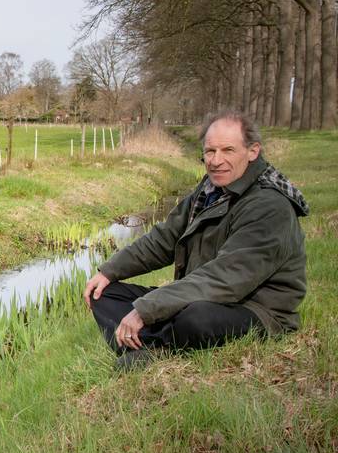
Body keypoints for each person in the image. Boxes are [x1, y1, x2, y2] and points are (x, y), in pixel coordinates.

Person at [84, 111, 308, 370]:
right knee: (104, 293)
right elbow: (164, 239)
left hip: (255, 308)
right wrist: (109, 271)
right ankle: (153, 344)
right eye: (210, 151)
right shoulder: (209, 189)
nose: (216, 160)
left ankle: (156, 349)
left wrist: (145, 310)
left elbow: (226, 278)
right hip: (201, 293)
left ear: (253, 151)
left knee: (196, 317)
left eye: (228, 150)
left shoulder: (269, 206)